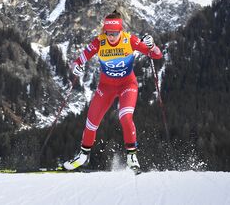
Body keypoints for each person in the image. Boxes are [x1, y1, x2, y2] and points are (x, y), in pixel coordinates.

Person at [63, 10, 163, 173]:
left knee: (125, 116)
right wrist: (77, 67)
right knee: (91, 121)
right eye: (108, 33)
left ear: (120, 31)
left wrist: (152, 45)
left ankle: (132, 156)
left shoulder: (129, 40)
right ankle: (83, 155)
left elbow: (156, 55)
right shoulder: (99, 42)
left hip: (127, 85)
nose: (111, 37)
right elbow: (77, 62)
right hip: (106, 87)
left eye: (115, 33)